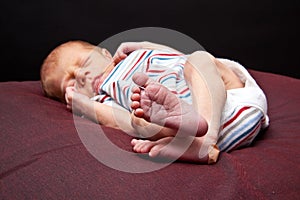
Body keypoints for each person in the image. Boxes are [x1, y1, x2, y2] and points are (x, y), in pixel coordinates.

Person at [40, 40, 269, 164]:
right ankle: (192, 136)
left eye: (83, 62)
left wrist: (145, 45)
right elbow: (113, 119)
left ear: (105, 54)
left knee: (198, 60)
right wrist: (85, 106)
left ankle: (204, 139)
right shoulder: (103, 97)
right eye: (70, 83)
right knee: (136, 120)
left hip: (232, 101)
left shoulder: (131, 57)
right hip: (217, 132)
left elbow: (178, 58)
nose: (81, 75)